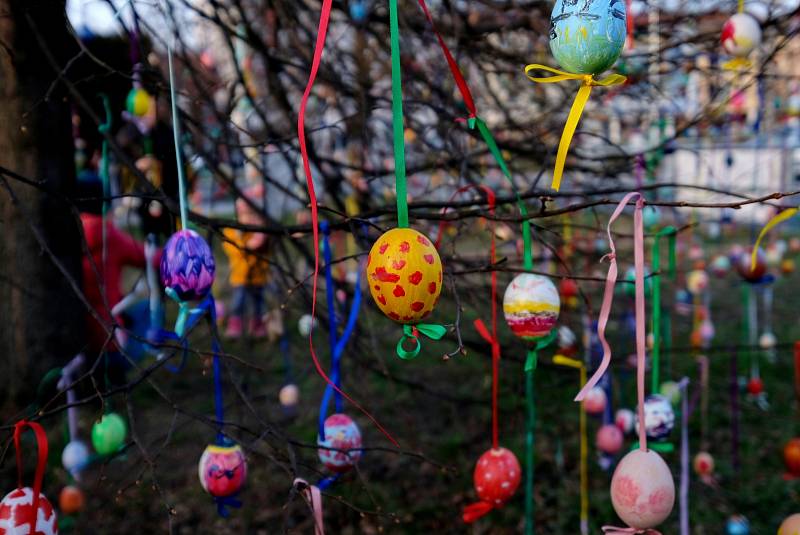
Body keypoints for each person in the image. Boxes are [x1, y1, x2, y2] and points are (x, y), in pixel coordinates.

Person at [76, 173, 160, 380]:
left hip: (76, 347)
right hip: (109, 346)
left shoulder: (63, 234)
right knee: (148, 308)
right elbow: (152, 257)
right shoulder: (107, 235)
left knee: (122, 305)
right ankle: (121, 367)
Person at [221, 184, 271, 338]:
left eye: (251, 215)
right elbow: (231, 249)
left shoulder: (260, 231)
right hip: (240, 275)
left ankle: (256, 325)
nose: (247, 219)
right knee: (238, 302)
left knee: (258, 303)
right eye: (244, 214)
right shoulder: (232, 231)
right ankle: (235, 324)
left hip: (258, 275)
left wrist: (260, 238)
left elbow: (266, 250)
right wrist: (243, 242)